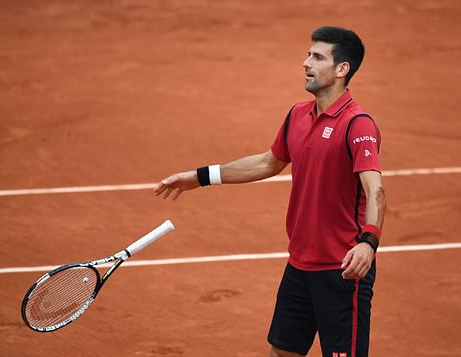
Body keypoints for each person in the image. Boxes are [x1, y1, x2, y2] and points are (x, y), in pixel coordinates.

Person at [154, 26, 385, 357]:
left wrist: (368, 242)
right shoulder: (297, 115)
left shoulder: (357, 124)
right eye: (308, 54)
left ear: (341, 69)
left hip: (342, 269)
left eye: (318, 57)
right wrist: (200, 176)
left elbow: (374, 187)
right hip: (300, 264)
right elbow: (267, 163)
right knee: (282, 352)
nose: (306, 62)